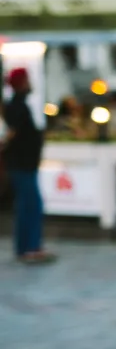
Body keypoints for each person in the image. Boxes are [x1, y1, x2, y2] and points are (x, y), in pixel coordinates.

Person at [2, 68, 55, 264]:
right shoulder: (18, 106)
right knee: (31, 205)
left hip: (22, 164)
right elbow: (12, 134)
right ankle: (31, 247)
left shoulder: (16, 105)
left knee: (26, 205)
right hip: (22, 164)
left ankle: (24, 247)